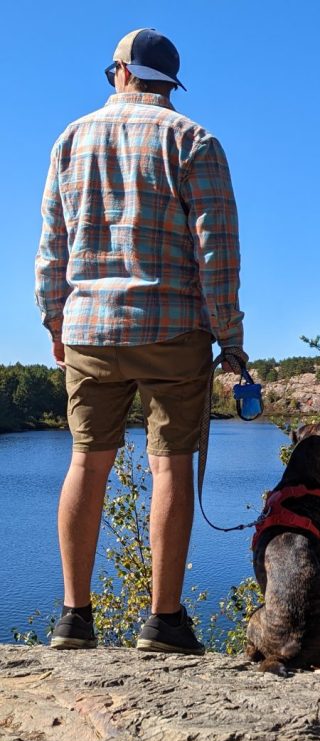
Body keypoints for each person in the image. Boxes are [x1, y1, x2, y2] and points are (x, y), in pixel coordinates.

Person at [35, 28, 247, 654]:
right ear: (168, 84)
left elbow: (52, 247)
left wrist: (55, 321)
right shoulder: (195, 142)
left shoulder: (70, 139)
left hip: (89, 331)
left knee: (85, 461)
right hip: (173, 330)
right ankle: (164, 622)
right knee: (169, 464)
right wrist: (230, 339)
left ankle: (73, 618)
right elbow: (219, 256)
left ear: (121, 72)